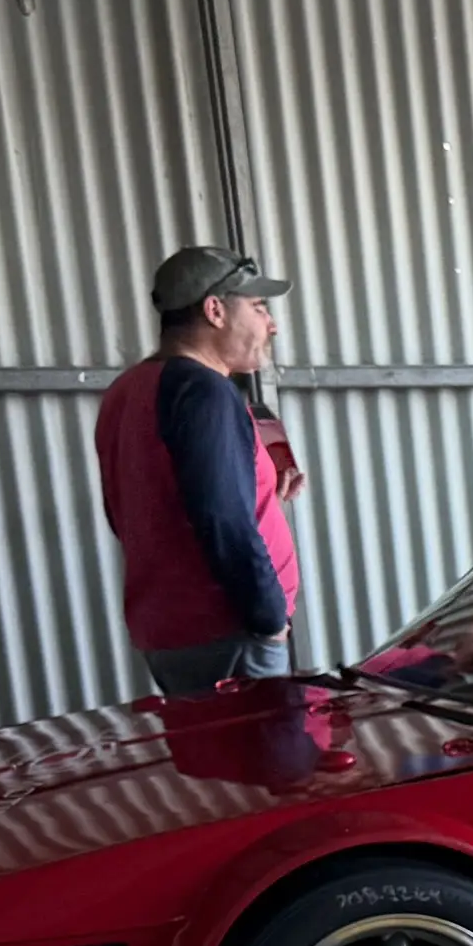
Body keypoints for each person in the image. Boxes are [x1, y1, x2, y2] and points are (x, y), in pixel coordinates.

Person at [99, 246, 305, 696]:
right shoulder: (203, 391)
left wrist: (261, 489)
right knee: (259, 743)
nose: (271, 324)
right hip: (229, 633)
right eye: (258, 307)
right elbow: (223, 519)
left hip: (173, 629)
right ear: (215, 310)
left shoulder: (128, 389)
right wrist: (269, 620)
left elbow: (126, 512)